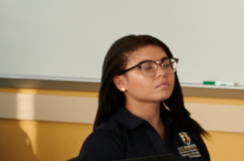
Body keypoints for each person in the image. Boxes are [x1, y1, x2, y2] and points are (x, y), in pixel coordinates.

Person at [78, 35, 210, 161]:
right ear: (120, 83)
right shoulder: (105, 140)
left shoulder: (185, 128)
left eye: (166, 64)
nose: (162, 73)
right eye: (147, 67)